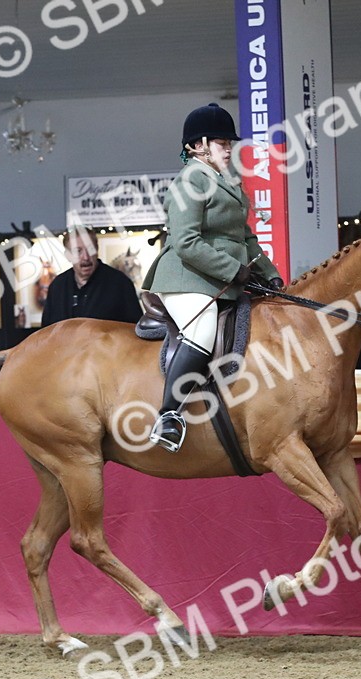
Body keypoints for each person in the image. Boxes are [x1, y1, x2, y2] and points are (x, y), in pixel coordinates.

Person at [140, 102, 284, 452]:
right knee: (202, 331)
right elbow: (187, 242)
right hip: (187, 276)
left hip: (224, 279)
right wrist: (234, 270)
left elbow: (245, 237)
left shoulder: (227, 182)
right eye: (222, 143)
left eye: (230, 143)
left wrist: (271, 276)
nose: (230, 149)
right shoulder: (188, 180)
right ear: (197, 146)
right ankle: (169, 416)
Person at [40, 227, 142, 328]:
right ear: (68, 255)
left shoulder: (120, 283)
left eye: (90, 249)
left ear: (97, 250)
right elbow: (46, 332)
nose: (86, 257)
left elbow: (135, 329)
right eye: (78, 251)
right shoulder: (57, 286)